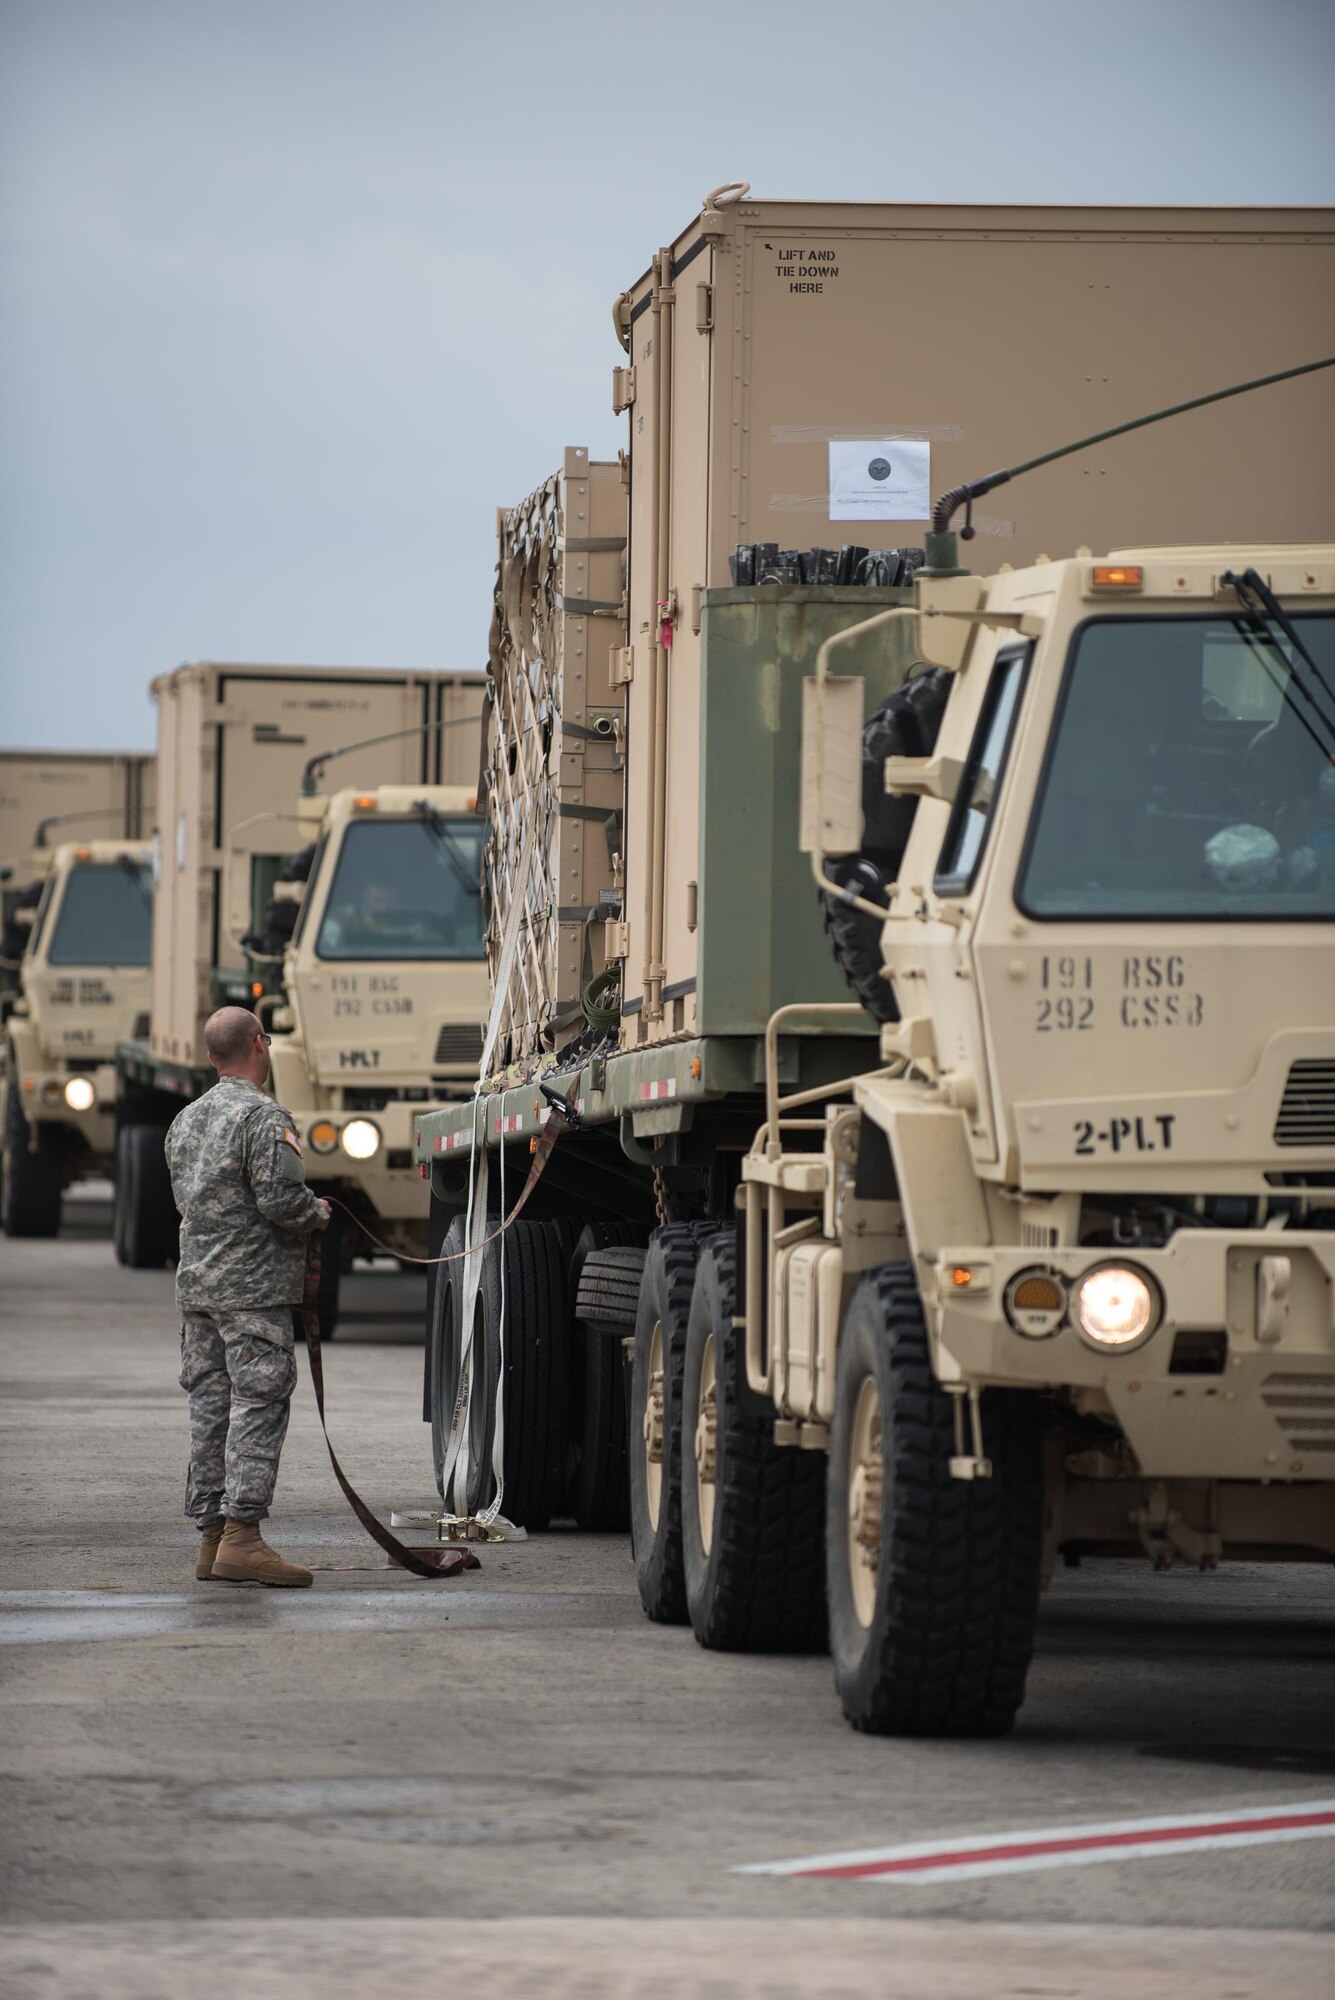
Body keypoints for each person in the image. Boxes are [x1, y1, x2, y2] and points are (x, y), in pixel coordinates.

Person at [164, 1005, 330, 1586]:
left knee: (209, 1411)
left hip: (198, 1291)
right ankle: (243, 1537)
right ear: (260, 1045)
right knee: (258, 1406)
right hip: (252, 1293)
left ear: (211, 1056)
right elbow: (283, 1202)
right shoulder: (265, 1117)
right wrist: (319, 1213)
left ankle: (211, 1541)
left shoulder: (185, 1121)